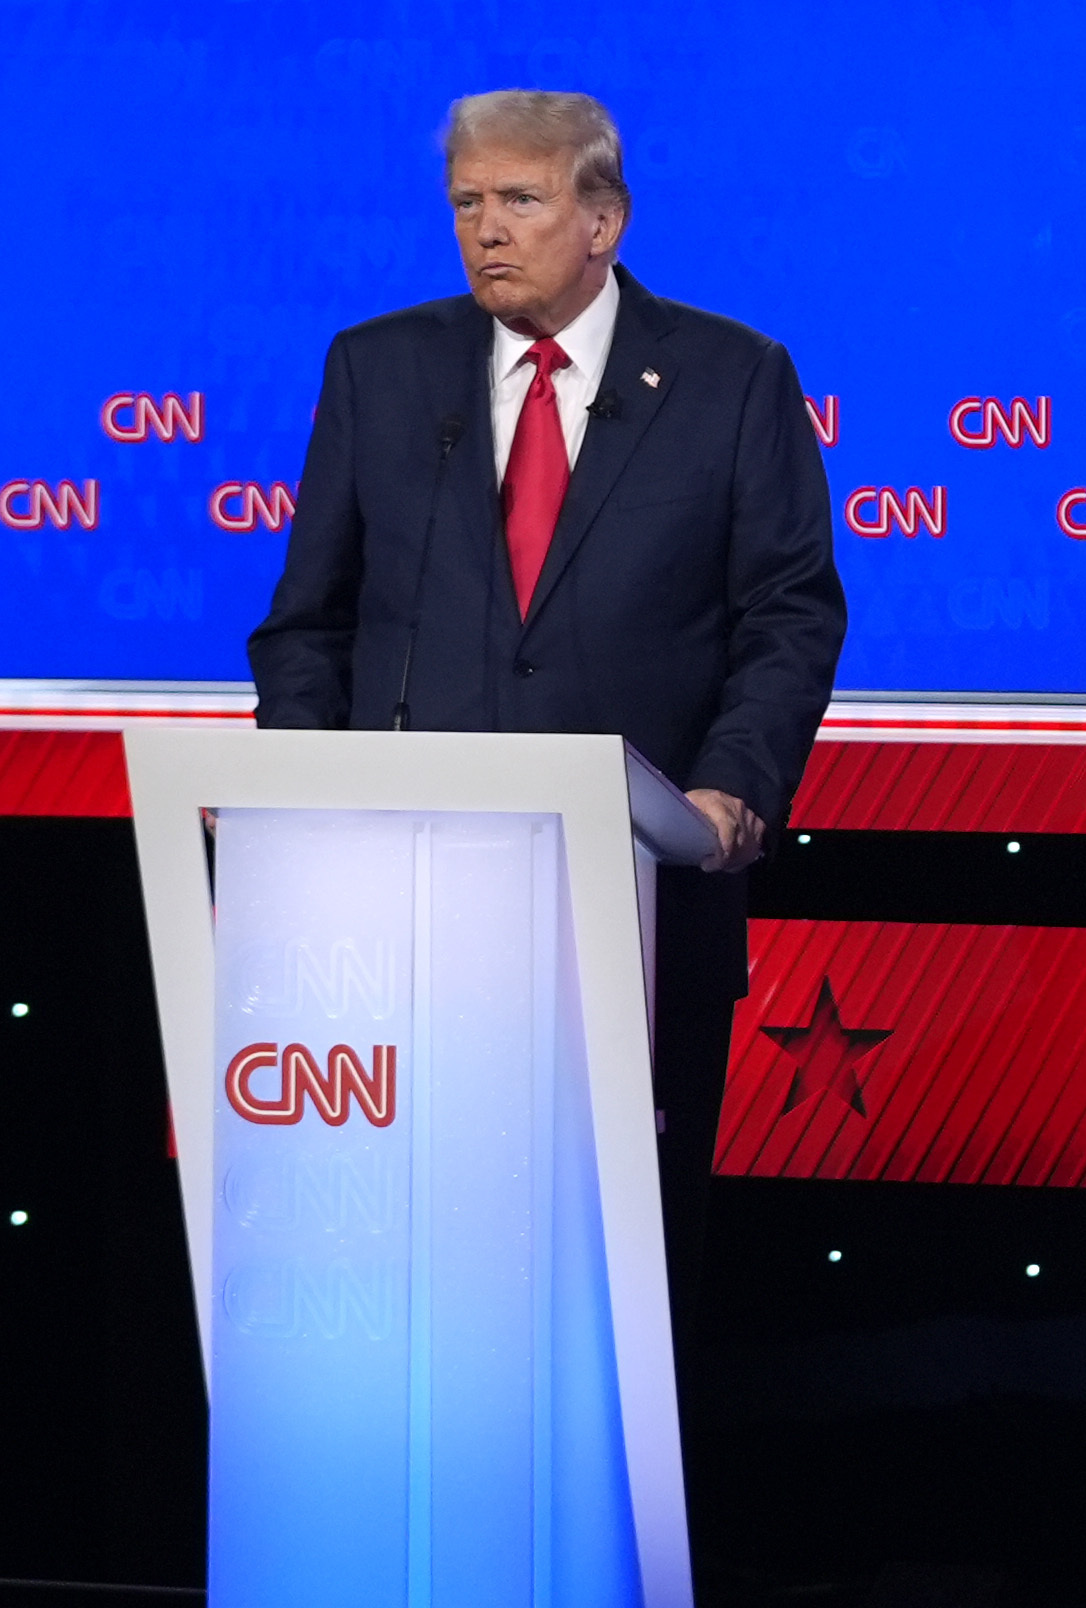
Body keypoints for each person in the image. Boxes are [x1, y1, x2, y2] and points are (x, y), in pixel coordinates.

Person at [247, 89, 846, 1411]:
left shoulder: (733, 376)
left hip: (636, 909)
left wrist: (731, 787)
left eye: (517, 201)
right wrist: (306, 803)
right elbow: (309, 624)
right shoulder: (382, 368)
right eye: (465, 203)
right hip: (403, 923)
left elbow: (789, 616)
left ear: (603, 218)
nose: (483, 231)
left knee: (618, 1304)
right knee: (415, 1292)